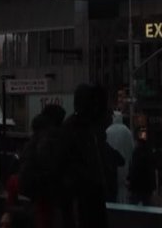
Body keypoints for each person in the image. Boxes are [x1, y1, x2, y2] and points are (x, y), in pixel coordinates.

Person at [58, 83, 108, 228]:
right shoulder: (75, 129)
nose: (95, 107)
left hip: (91, 194)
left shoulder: (91, 128)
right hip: (81, 196)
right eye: (93, 102)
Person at [19, 103, 66, 227]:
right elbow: (47, 160)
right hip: (45, 185)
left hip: (34, 184)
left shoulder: (38, 134)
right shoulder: (50, 136)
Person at [106, 110, 134, 204]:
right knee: (123, 189)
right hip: (124, 166)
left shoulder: (108, 131)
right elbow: (131, 149)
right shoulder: (127, 131)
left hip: (111, 167)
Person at [129, 129, 156, 205]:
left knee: (134, 203)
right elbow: (151, 169)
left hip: (137, 185)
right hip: (147, 185)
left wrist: (130, 182)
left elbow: (134, 168)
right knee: (147, 203)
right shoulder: (149, 152)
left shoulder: (136, 153)